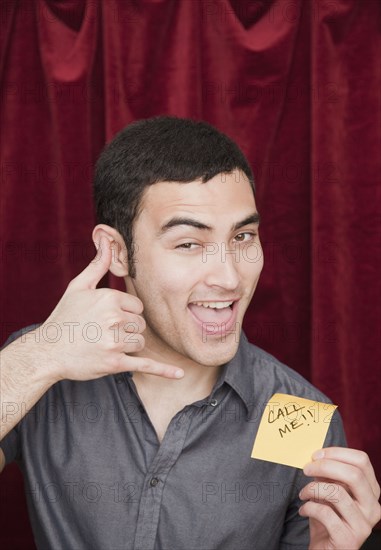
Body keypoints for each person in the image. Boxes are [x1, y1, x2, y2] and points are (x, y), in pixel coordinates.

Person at [0, 116, 379, 550]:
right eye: (188, 244)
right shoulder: (43, 367)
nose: (229, 277)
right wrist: (37, 358)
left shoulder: (298, 415)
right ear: (117, 253)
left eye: (243, 236)